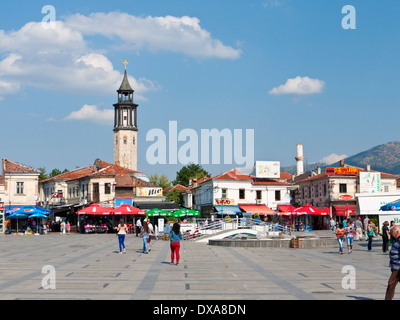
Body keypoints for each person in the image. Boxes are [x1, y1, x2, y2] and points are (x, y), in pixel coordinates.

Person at [385, 225, 400, 300]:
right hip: (395, 268)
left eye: (393, 231)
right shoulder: (396, 240)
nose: (391, 232)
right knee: (391, 284)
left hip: (398, 268)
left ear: (397, 232)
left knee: (391, 284)